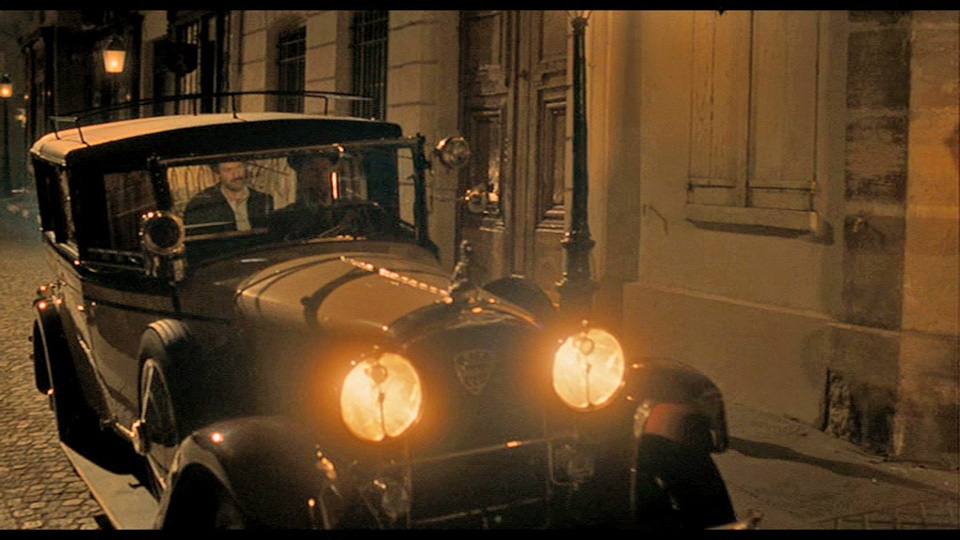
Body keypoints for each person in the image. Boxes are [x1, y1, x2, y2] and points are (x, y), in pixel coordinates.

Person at [184, 161, 274, 235]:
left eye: (239, 167)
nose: (236, 175)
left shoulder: (263, 199)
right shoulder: (201, 204)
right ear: (218, 173)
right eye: (228, 170)